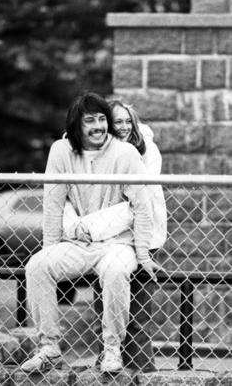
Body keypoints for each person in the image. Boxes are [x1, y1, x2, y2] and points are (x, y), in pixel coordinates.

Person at [21, 92, 162, 374]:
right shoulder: (60, 151)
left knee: (115, 271)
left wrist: (143, 253)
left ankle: (112, 348)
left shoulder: (126, 153)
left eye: (102, 119)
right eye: (90, 121)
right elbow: (53, 203)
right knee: (37, 265)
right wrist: (49, 248)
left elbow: (142, 206)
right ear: (76, 124)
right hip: (77, 243)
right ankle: (48, 348)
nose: (98, 126)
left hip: (118, 245)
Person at [63, 100, 167, 371]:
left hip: (141, 240)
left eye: (126, 121)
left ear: (134, 123)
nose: (121, 127)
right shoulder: (97, 153)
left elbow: (137, 198)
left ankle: (143, 373)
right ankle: (107, 369)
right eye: (115, 121)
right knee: (106, 311)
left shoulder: (147, 151)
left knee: (137, 317)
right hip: (108, 241)